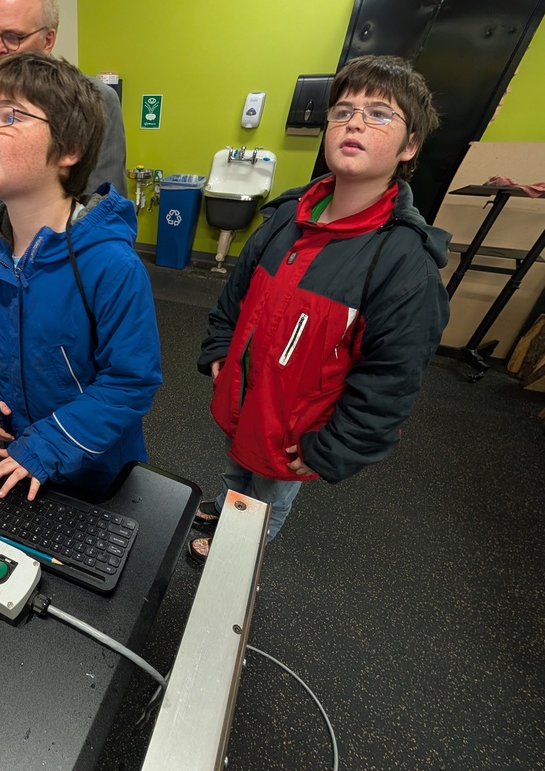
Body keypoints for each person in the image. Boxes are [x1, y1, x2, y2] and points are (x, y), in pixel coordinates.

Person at [193, 54, 451, 558]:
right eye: (343, 110)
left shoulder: (402, 261)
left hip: (298, 432)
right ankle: (229, 503)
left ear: (410, 145)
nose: (354, 121)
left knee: (268, 495)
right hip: (248, 399)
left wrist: (330, 448)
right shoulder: (287, 215)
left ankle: (241, 553)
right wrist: (221, 349)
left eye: (379, 114)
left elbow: (391, 381)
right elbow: (235, 294)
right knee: (236, 463)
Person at [0, 51, 161, 501]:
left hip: (97, 466)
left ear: (68, 150)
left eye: (6, 116)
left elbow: (130, 382)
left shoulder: (112, 266)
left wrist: (49, 445)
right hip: (20, 453)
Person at [0, 0, 127, 236]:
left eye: (13, 36)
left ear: (48, 40)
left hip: (64, 260)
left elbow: (105, 205)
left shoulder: (95, 100)